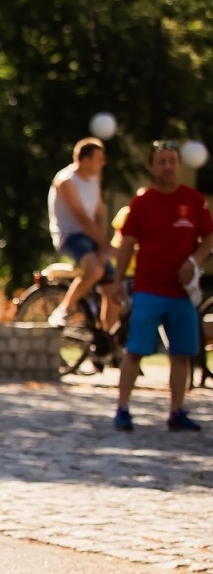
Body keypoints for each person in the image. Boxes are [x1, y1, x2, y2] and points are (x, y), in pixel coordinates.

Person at [112, 141, 213, 432]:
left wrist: (193, 263)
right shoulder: (142, 203)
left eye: (172, 161)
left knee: (181, 353)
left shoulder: (194, 201)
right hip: (148, 289)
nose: (167, 166)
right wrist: (118, 280)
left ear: (179, 165)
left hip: (182, 293)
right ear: (152, 167)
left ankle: (176, 411)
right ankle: (122, 408)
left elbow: (208, 238)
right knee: (136, 350)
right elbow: (127, 244)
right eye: (161, 161)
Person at [46, 137, 121, 333]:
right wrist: (105, 246)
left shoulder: (94, 179)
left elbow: (98, 214)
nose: (102, 163)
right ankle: (65, 308)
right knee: (95, 270)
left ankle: (108, 340)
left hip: (91, 237)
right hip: (71, 237)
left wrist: (102, 247)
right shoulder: (66, 181)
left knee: (112, 289)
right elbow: (82, 219)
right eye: (99, 159)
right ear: (84, 160)